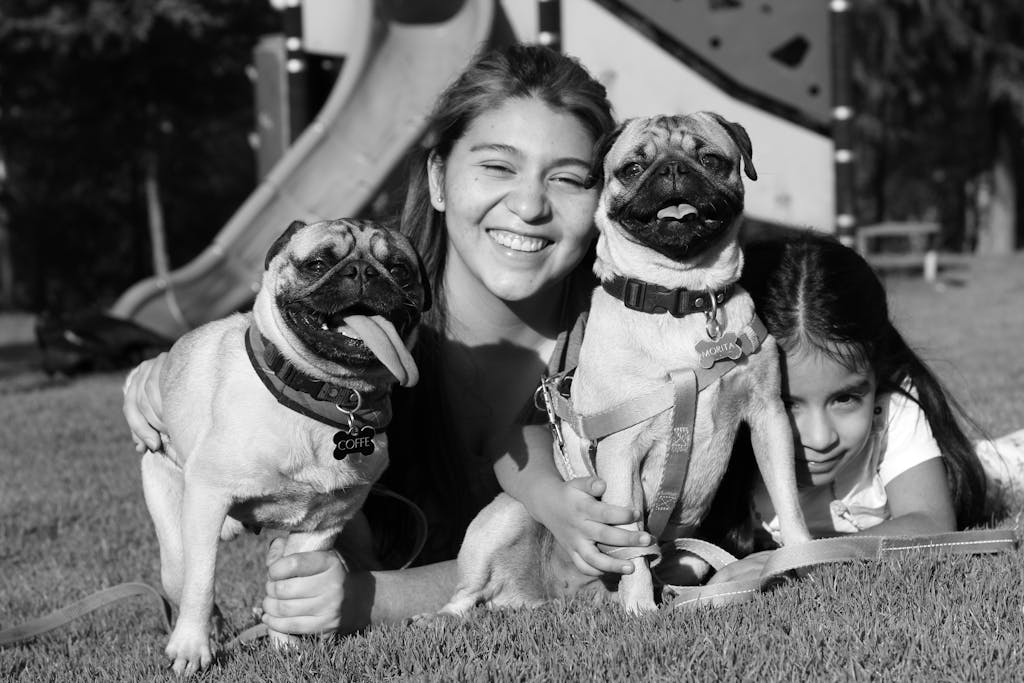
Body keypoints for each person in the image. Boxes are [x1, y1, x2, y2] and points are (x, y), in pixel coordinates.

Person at [122, 43, 652, 635]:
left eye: (570, 179)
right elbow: (240, 352)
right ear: (439, 180)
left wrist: (371, 598)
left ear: (604, 198)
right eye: (497, 167)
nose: (529, 205)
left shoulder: (632, 349)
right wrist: (158, 379)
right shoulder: (335, 339)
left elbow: (589, 564)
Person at [705, 230, 1024, 584]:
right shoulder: (717, 435)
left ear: (876, 376)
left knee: (1002, 462)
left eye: (845, 399)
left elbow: (930, 520)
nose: (820, 437)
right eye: (786, 404)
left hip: (986, 467)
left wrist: (804, 558)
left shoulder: (890, 410)